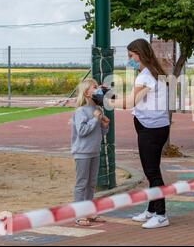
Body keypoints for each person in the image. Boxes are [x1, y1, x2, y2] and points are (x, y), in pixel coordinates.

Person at [107, 38, 170, 229]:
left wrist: (106, 100)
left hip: (150, 130)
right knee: (152, 170)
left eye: (131, 56)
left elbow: (129, 103)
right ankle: (151, 211)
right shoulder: (154, 73)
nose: (129, 60)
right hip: (157, 127)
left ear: (140, 54)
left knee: (152, 172)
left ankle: (161, 215)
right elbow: (132, 99)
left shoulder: (145, 76)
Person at [71, 78, 110, 226]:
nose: (98, 89)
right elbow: (82, 131)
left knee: (91, 183)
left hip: (94, 151)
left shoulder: (98, 110)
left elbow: (99, 133)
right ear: (87, 93)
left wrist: (105, 126)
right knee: (82, 183)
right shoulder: (81, 111)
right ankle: (78, 214)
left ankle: (88, 211)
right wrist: (94, 120)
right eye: (95, 87)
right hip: (82, 153)